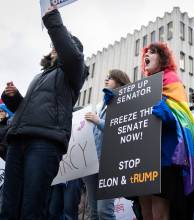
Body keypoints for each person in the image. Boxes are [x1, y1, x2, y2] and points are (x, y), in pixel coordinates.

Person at [0, 5, 86, 219]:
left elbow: (70, 53)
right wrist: (14, 99)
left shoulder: (74, 72)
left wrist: (52, 18)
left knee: (33, 207)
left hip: (45, 144)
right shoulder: (39, 76)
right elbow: (29, 109)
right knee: (8, 207)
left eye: (60, 44)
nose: (54, 47)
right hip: (18, 141)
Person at [139, 42, 194, 220]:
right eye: (146, 53)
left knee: (159, 212)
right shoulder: (144, 85)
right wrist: (116, 103)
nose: (147, 54)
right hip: (143, 157)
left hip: (164, 156)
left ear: (162, 58)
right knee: (145, 209)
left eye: (153, 52)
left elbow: (185, 118)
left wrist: (169, 114)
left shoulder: (172, 79)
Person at [83, 69, 131, 220]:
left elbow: (121, 129)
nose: (106, 79)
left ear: (120, 81)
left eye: (110, 77)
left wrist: (98, 121)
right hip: (92, 163)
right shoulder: (101, 104)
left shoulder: (125, 102)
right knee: (93, 212)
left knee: (105, 212)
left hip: (110, 163)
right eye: (106, 76)